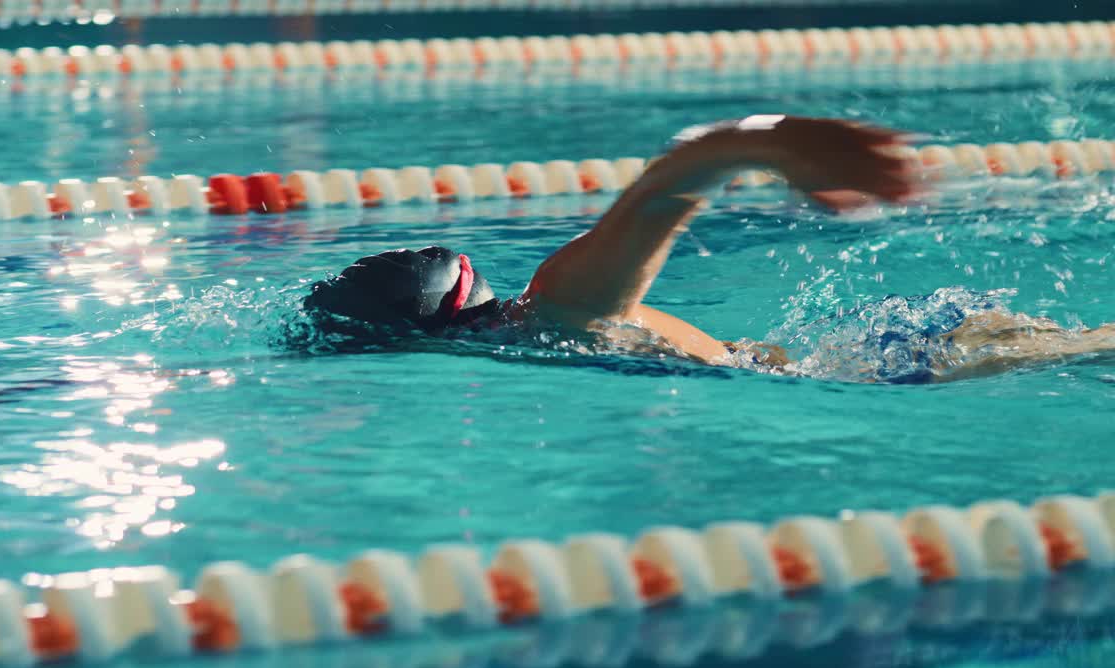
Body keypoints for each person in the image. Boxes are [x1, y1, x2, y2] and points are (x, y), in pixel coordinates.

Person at [304, 116, 1115, 383]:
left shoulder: (551, 313)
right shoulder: (545, 311)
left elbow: (665, 191)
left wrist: (767, 142)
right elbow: (660, 191)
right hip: (858, 361)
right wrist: (769, 141)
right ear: (462, 286)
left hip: (866, 369)